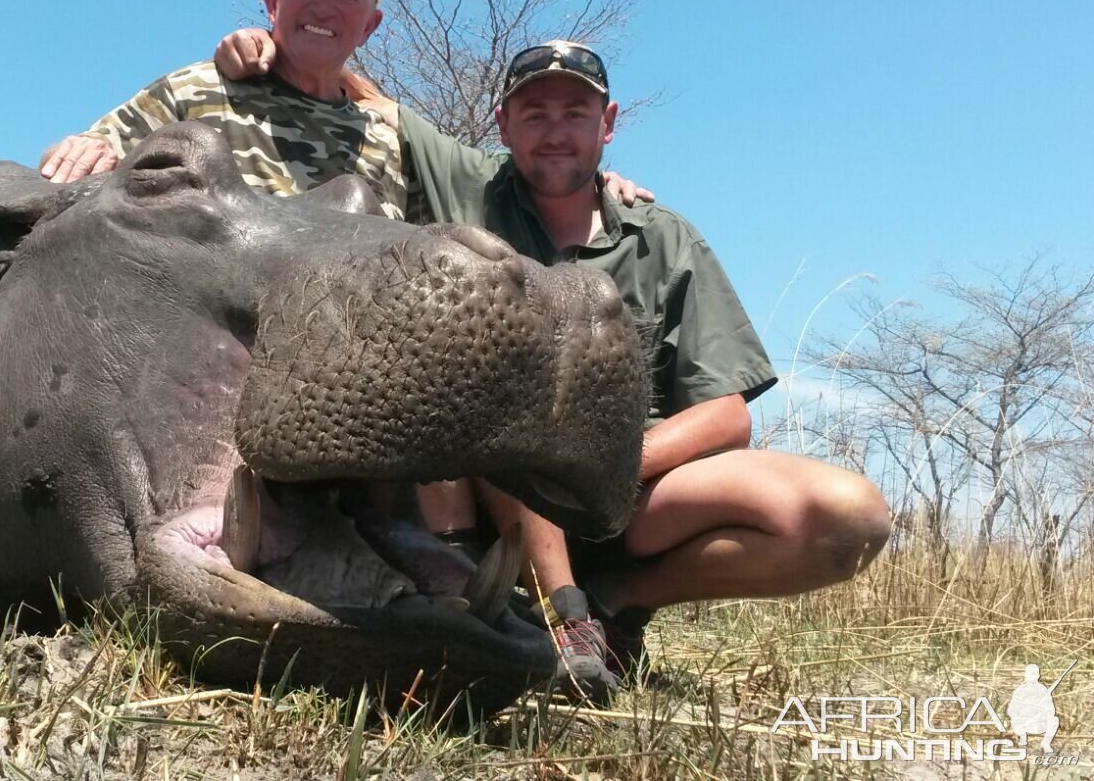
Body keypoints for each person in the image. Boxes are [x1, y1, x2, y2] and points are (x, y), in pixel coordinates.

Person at [218, 37, 891, 703]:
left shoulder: (663, 236)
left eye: (575, 113)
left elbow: (728, 413)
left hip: (633, 491)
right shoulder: (470, 182)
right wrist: (271, 46)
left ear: (608, 123)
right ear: (503, 124)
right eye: (534, 114)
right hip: (498, 487)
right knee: (511, 401)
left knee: (848, 519)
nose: (555, 131)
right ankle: (551, 619)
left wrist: (606, 465)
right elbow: (353, 86)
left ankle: (614, 605)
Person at [36, 0, 415, 219]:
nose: (323, 7)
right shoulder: (193, 92)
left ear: (369, 26)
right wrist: (79, 152)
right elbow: (85, 156)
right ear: (273, 2)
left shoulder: (388, 144)